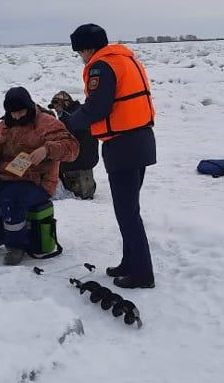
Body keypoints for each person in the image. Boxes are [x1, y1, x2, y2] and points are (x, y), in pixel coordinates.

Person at [66, 24, 157, 288]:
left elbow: (98, 107)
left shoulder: (101, 66)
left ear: (87, 48)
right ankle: (130, 262)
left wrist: (69, 122)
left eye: (79, 51)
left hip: (123, 144)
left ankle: (142, 274)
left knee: (127, 213)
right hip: (139, 140)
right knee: (127, 210)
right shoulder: (123, 59)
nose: (80, 57)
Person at [0, 87, 79, 265]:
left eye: (20, 111)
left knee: (10, 199)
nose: (16, 116)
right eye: (12, 112)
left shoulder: (47, 123)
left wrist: (47, 149)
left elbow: (72, 148)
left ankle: (16, 245)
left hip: (38, 182)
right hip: (7, 177)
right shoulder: (4, 126)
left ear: (29, 107)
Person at [48, 91, 98, 200]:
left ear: (65, 103)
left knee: (51, 158)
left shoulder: (68, 119)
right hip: (89, 159)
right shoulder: (81, 113)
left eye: (57, 106)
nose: (56, 110)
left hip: (79, 160)